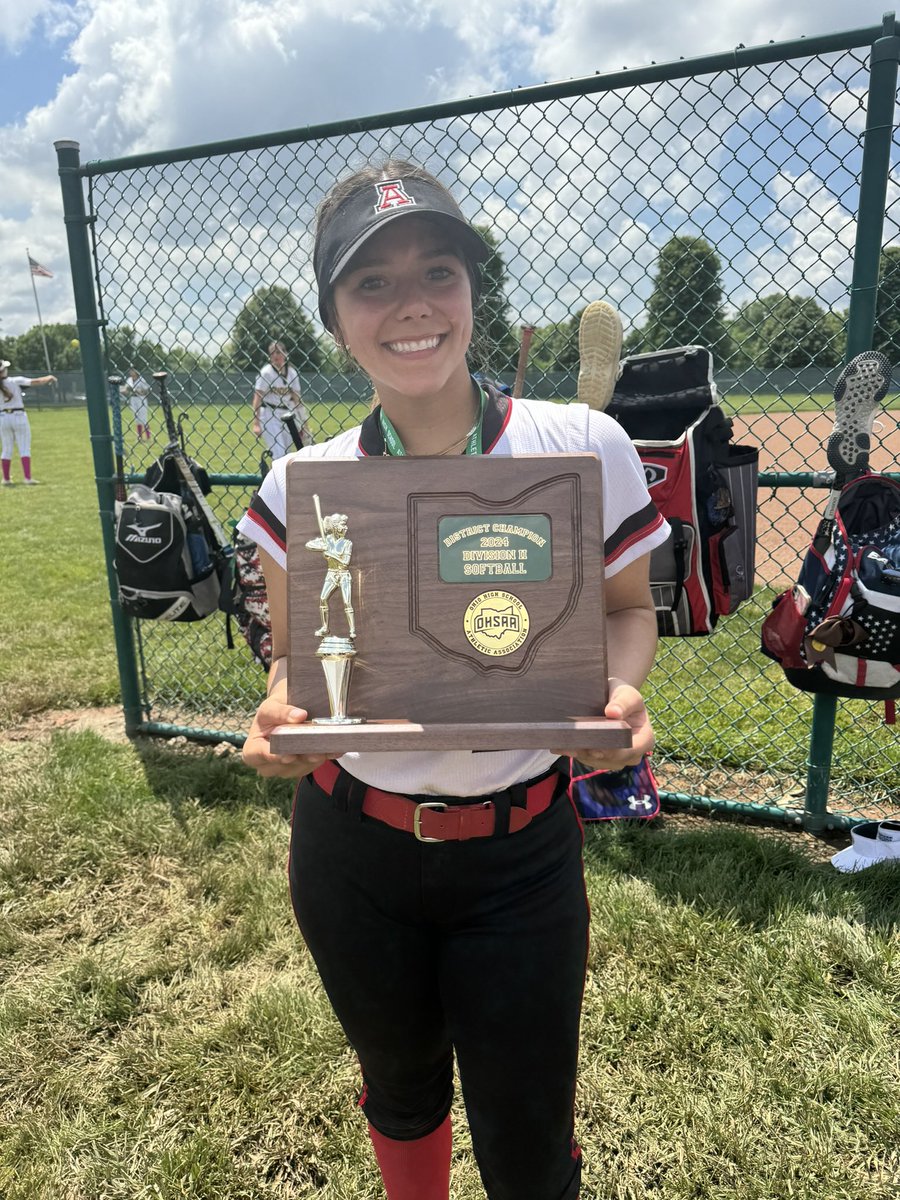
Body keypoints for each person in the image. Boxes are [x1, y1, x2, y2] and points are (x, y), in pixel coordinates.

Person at [239, 160, 669, 1200]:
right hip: (352, 854)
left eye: (438, 269)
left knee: (526, 1143)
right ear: (337, 318)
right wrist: (280, 708)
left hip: (519, 852)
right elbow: (293, 654)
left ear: (476, 291)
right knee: (399, 1090)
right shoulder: (302, 484)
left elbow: (626, 613)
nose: (412, 305)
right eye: (371, 284)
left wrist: (619, 692)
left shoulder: (581, 445)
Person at [251, 341, 313, 457]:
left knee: (287, 454)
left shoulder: (292, 373)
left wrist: (305, 424)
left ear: (285, 354)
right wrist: (256, 423)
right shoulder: (266, 373)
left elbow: (297, 400)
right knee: (278, 453)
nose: (275, 356)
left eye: (278, 352)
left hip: (288, 415)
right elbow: (257, 397)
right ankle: (276, 474)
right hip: (270, 414)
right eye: (272, 353)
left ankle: (274, 474)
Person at [0, 360, 57, 486]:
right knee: (24, 447)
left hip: (3, 417)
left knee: (6, 448)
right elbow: (35, 381)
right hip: (18, 416)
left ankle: (6, 479)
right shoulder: (15, 381)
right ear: (3, 370)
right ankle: (27, 477)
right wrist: (49, 377)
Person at [120, 367, 152, 440]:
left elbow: (147, 390)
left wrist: (138, 391)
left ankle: (148, 436)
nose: (131, 372)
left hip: (141, 399)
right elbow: (126, 390)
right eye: (130, 371)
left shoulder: (141, 379)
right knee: (136, 418)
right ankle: (140, 436)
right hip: (133, 399)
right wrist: (123, 390)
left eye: (133, 370)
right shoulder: (129, 380)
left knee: (143, 418)